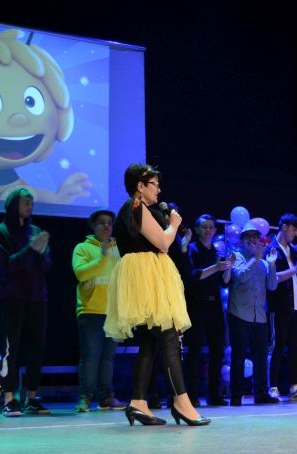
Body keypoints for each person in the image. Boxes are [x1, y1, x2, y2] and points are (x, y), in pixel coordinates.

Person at [104, 164, 208, 426]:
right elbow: (162, 242)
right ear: (140, 186)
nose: (159, 190)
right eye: (154, 184)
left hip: (149, 276)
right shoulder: (135, 207)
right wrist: (174, 224)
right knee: (169, 337)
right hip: (146, 278)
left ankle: (138, 402)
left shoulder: (141, 209)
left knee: (151, 342)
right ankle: (181, 403)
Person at [0, 188, 52, 416]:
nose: (30, 206)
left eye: (31, 203)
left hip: (37, 296)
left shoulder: (35, 231)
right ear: (13, 204)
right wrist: (31, 249)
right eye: (26, 202)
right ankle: (9, 398)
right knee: (11, 349)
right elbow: (6, 265)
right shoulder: (0, 231)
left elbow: (47, 266)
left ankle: (32, 397)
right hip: (12, 297)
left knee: (37, 347)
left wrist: (40, 251)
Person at [72, 209, 126, 412]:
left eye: (109, 223)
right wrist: (101, 259)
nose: (106, 226)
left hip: (113, 312)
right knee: (90, 356)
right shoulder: (83, 248)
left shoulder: (118, 249)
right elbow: (81, 273)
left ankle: (106, 397)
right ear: (93, 226)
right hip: (90, 310)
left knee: (108, 358)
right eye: (102, 222)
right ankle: (85, 397)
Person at [227, 222, 279, 406]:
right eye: (248, 237)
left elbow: (272, 286)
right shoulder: (237, 257)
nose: (252, 240)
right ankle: (236, 396)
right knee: (239, 357)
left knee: (261, 357)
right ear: (242, 241)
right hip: (239, 314)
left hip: (260, 316)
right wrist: (256, 258)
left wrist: (272, 265)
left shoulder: (263, 262)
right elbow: (241, 277)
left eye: (255, 237)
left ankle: (261, 394)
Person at [266, 214, 297, 401]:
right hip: (280, 306)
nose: (296, 234)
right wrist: (296, 269)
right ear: (284, 227)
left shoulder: (294, 251)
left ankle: (295, 386)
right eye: (294, 230)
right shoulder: (271, 249)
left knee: (295, 347)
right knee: (277, 346)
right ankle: (272, 386)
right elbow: (272, 278)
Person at [184, 214, 232, 407]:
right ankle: (191, 395)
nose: (209, 230)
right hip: (196, 305)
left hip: (214, 306)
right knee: (194, 352)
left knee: (217, 351)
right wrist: (217, 267)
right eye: (204, 227)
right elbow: (193, 276)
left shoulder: (217, 252)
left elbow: (224, 282)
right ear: (197, 230)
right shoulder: (191, 249)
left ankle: (214, 394)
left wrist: (228, 267)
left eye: (211, 227)